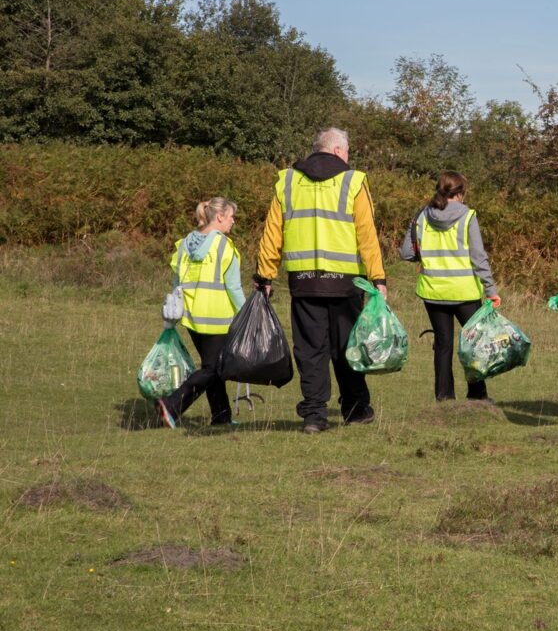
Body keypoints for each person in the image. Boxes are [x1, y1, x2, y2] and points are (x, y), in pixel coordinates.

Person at [254, 127, 387, 434]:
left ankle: (314, 415)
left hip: (304, 280)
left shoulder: (286, 180)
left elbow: (273, 232)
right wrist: (377, 276)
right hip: (344, 282)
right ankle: (355, 408)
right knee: (347, 347)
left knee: (310, 350)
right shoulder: (354, 181)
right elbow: (367, 235)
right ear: (339, 150)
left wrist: (265, 274)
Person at [400, 171, 501, 402]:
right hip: (464, 292)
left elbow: (406, 253)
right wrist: (491, 290)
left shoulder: (422, 215)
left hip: (433, 291)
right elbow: (478, 257)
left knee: (443, 344)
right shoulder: (468, 216)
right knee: (473, 343)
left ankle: (444, 398)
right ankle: (477, 395)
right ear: (461, 193)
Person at [156, 197, 246, 428]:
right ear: (219, 217)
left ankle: (221, 416)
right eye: (231, 216)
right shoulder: (225, 246)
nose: (233, 221)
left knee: (212, 366)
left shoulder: (185, 244)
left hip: (191, 316)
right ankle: (172, 405)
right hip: (217, 317)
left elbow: (177, 280)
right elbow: (233, 287)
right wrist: (247, 314)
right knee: (213, 368)